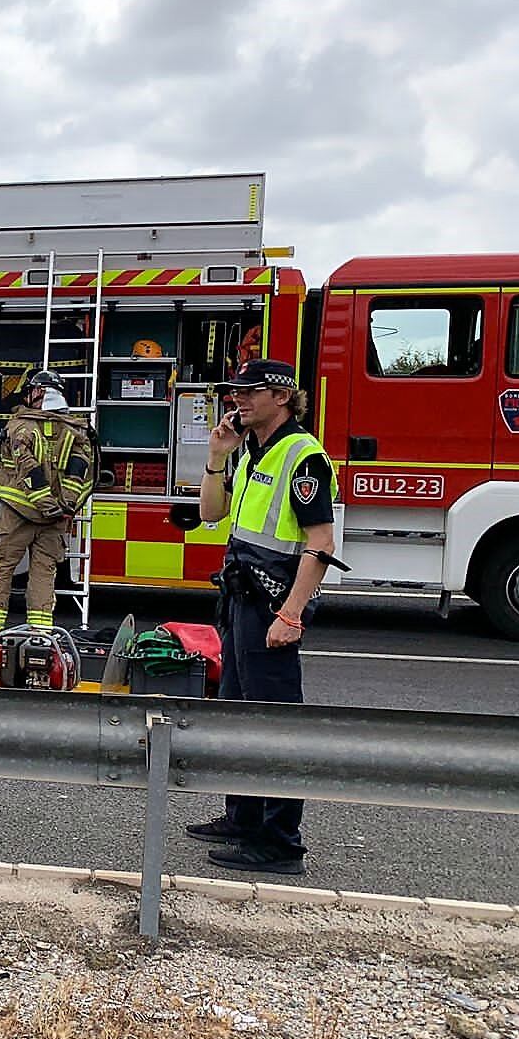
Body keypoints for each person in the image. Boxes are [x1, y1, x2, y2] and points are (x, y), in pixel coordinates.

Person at [186, 358, 340, 875]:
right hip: (240, 600)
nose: (239, 400)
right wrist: (215, 457)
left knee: (273, 723)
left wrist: (291, 614)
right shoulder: (252, 450)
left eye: (251, 392)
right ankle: (244, 817)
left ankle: (280, 842)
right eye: (236, 392)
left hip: (272, 603)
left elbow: (321, 543)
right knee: (236, 715)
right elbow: (210, 515)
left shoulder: (302, 455)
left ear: (281, 396)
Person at [0, 368, 94, 636]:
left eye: (30, 390)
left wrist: (45, 504)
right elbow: (80, 472)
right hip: (56, 519)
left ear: (39, 392)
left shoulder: (20, 427)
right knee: (44, 572)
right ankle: (40, 633)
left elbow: (27, 469)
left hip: (19, 513)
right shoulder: (76, 430)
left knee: (1, 564)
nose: (27, 395)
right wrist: (65, 507)